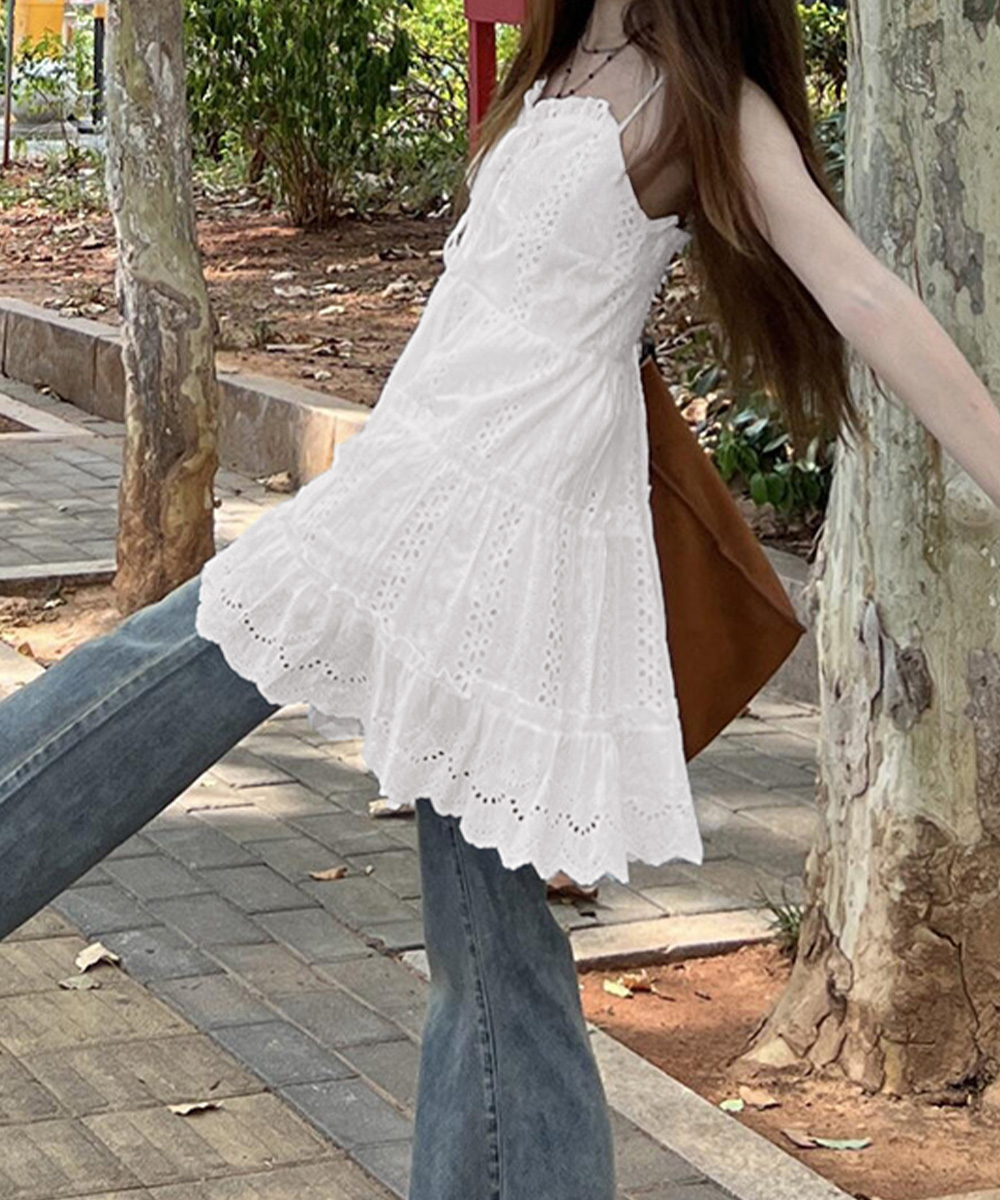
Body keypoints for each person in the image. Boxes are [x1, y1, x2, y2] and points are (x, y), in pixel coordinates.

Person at [3, 1, 1000, 1195]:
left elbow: (860, 291)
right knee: (475, 922)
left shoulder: (707, 102)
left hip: (513, 523)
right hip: (416, 477)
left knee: (174, 678)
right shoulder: (564, 55)